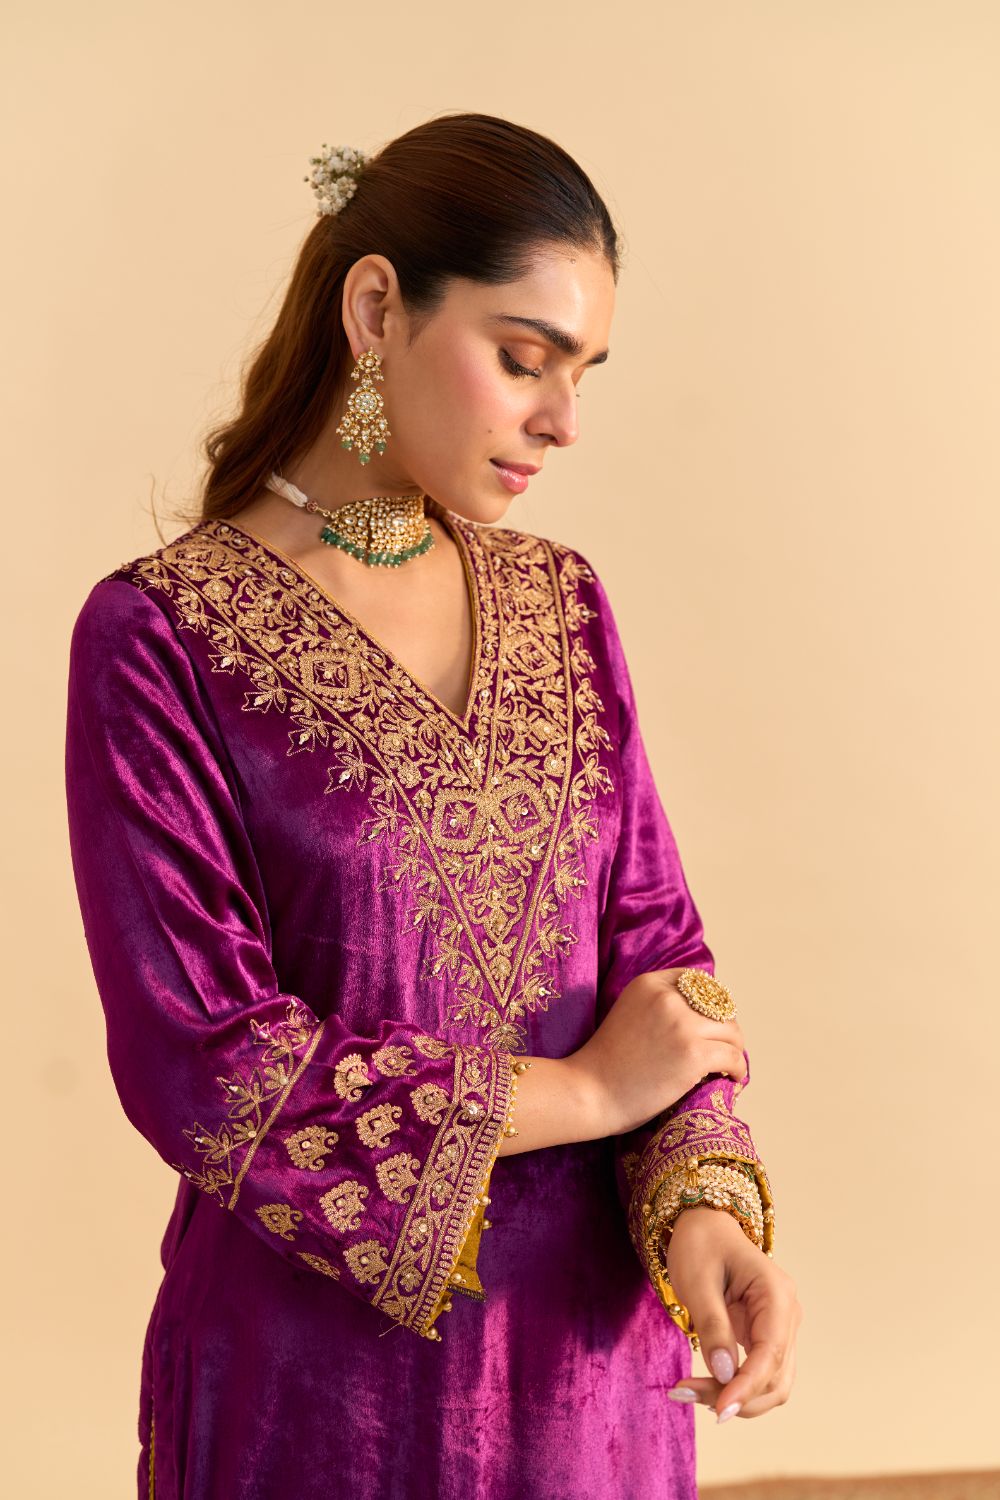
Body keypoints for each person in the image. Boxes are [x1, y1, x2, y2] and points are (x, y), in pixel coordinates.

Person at [64, 112, 801, 1500]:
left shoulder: (559, 601)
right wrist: (588, 1090)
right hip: (316, 1393)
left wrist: (705, 1212)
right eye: (524, 358)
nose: (563, 420)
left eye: (580, 373)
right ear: (375, 311)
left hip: (588, 1384)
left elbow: (657, 954)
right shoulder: (164, 637)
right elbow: (202, 1061)